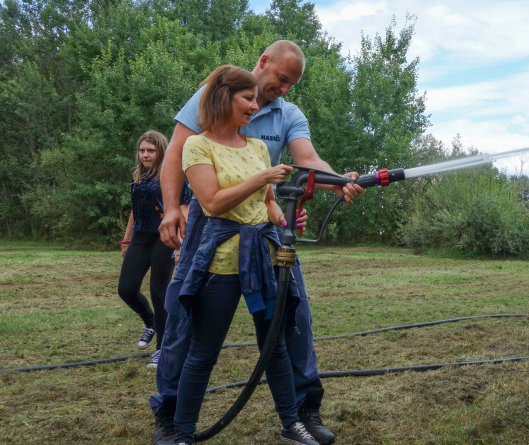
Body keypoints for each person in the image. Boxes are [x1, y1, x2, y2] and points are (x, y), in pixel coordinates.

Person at [151, 40, 365, 445]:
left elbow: (308, 161)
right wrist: (170, 208)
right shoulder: (212, 96)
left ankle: (301, 413)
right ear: (263, 63)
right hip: (210, 234)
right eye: (281, 79)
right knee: (187, 328)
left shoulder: (284, 119)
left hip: (266, 239)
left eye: (291, 84)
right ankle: (171, 417)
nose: (283, 90)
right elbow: (177, 154)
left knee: (291, 324)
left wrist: (339, 183)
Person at [173, 64, 316, 445]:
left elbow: (268, 203)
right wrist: (261, 178)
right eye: (248, 99)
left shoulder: (256, 148)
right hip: (220, 264)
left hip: (263, 259)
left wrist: (285, 223)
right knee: (203, 353)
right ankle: (183, 433)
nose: (256, 106)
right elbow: (213, 203)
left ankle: (291, 423)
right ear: (224, 97)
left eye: (256, 99)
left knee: (275, 346)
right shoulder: (197, 145)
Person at [119, 131, 190, 369]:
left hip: (165, 236)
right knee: (126, 289)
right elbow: (135, 210)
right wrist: (126, 240)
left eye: (151, 150)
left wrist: (181, 243)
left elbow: (184, 207)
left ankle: (163, 349)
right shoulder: (139, 176)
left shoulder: (173, 176)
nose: (145, 155)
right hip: (140, 236)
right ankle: (150, 322)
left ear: (161, 152)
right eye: (142, 150)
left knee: (159, 293)